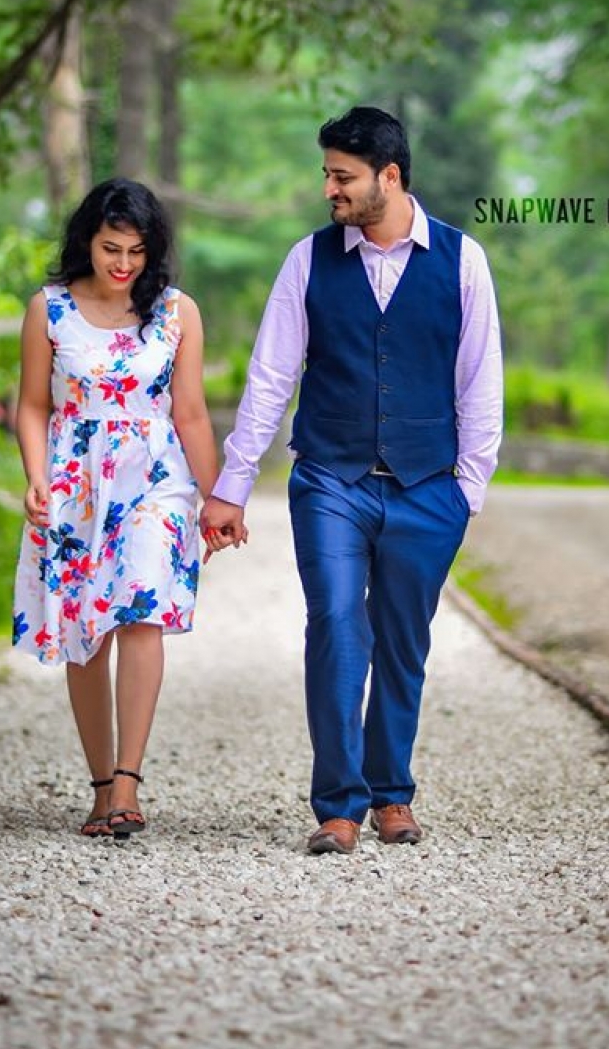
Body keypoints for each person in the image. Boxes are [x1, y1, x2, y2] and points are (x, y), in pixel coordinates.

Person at [201, 107, 503, 855]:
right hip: (330, 479)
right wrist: (232, 484)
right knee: (336, 626)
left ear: (388, 177)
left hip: (427, 488)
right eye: (327, 174)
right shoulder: (307, 260)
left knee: (403, 641)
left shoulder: (462, 261)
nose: (329, 189)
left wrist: (465, 492)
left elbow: (480, 383)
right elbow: (270, 378)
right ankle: (338, 805)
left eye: (343, 176)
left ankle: (392, 793)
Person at [12, 178, 237, 838]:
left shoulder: (176, 312)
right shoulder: (49, 309)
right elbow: (33, 406)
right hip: (75, 481)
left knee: (142, 611)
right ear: (87, 240)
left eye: (137, 252)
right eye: (112, 248)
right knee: (87, 631)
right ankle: (100, 786)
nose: (124, 264)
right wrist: (36, 477)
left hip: (156, 478)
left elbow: (190, 413)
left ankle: (129, 783)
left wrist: (217, 498)